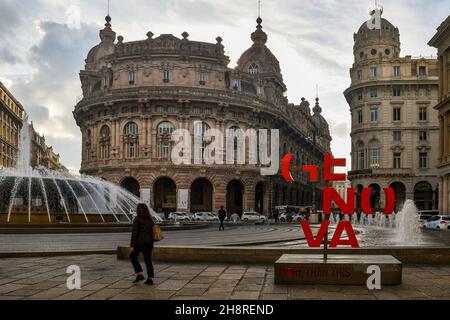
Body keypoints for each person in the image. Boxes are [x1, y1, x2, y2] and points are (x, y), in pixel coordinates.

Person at [129, 203, 155, 285]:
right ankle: (150, 279)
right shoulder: (150, 219)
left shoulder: (137, 219)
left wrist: (132, 245)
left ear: (138, 210)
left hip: (139, 243)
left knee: (132, 257)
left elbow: (135, 233)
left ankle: (139, 274)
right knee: (148, 261)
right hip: (149, 243)